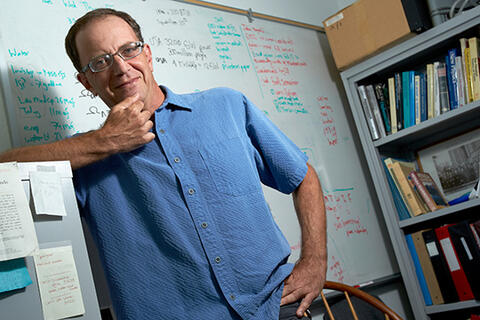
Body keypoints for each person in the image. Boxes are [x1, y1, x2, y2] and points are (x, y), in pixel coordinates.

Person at [0, 8, 326, 320]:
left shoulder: (226, 106)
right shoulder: (84, 161)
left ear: (148, 54)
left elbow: (302, 175)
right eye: (100, 62)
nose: (121, 67)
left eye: (129, 50)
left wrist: (315, 261)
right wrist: (102, 142)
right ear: (86, 82)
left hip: (277, 308)